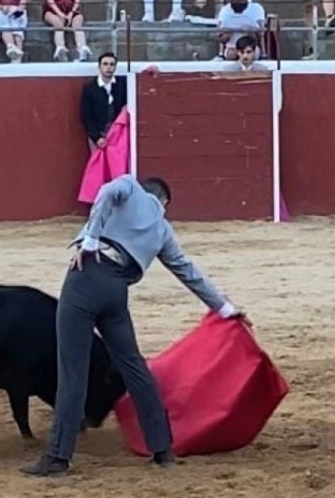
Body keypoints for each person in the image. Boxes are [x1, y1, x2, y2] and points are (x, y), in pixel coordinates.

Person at [20, 174, 245, 477]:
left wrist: (91, 238)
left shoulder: (128, 185)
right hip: (116, 293)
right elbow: (188, 272)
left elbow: (108, 190)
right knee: (135, 369)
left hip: (85, 279)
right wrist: (225, 308)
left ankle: (58, 456)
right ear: (164, 203)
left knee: (73, 371)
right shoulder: (163, 229)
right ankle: (162, 449)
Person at [80, 52, 127, 153]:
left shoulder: (123, 84)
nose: (108, 67)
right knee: (98, 166)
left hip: (118, 135)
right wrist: (96, 137)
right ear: (99, 67)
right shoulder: (90, 89)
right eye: (105, 64)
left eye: (112, 64)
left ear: (115, 67)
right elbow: (86, 117)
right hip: (98, 135)